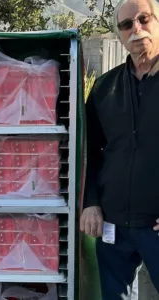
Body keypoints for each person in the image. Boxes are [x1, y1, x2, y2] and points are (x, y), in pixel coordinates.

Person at [80, 0, 159, 298]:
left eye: (144, 19)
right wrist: (91, 202)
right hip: (113, 226)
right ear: (119, 34)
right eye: (127, 25)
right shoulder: (103, 88)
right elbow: (91, 152)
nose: (136, 29)